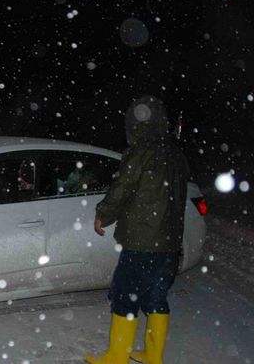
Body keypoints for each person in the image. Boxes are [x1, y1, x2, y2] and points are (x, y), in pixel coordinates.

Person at [85, 96, 189, 364]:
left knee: (125, 294)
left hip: (142, 240)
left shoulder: (141, 151)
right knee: (156, 297)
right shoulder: (176, 153)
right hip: (169, 242)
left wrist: (103, 215)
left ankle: (117, 357)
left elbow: (122, 189)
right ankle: (154, 356)